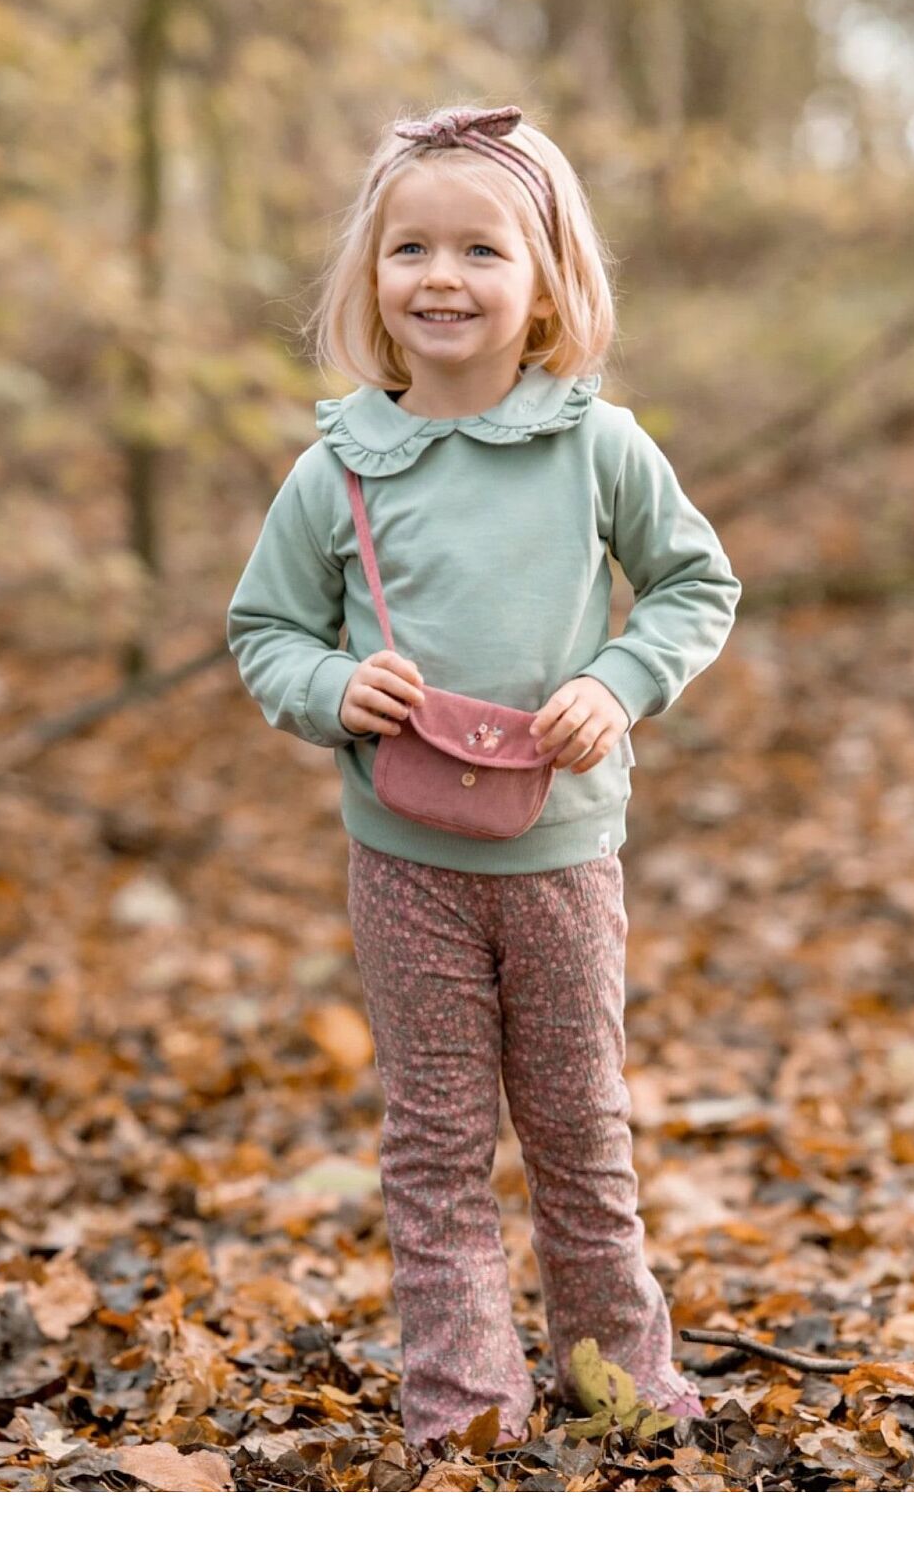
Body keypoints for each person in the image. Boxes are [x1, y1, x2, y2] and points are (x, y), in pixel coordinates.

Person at [226, 103, 742, 1452]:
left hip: (563, 854)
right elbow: (263, 630)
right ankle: (464, 1399)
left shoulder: (597, 447)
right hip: (406, 866)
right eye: (411, 250)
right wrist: (332, 689)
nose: (442, 277)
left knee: (580, 1127)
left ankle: (613, 1368)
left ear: (548, 282)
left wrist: (616, 685)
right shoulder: (338, 467)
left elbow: (696, 584)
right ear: (373, 282)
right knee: (438, 1139)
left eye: (480, 251)